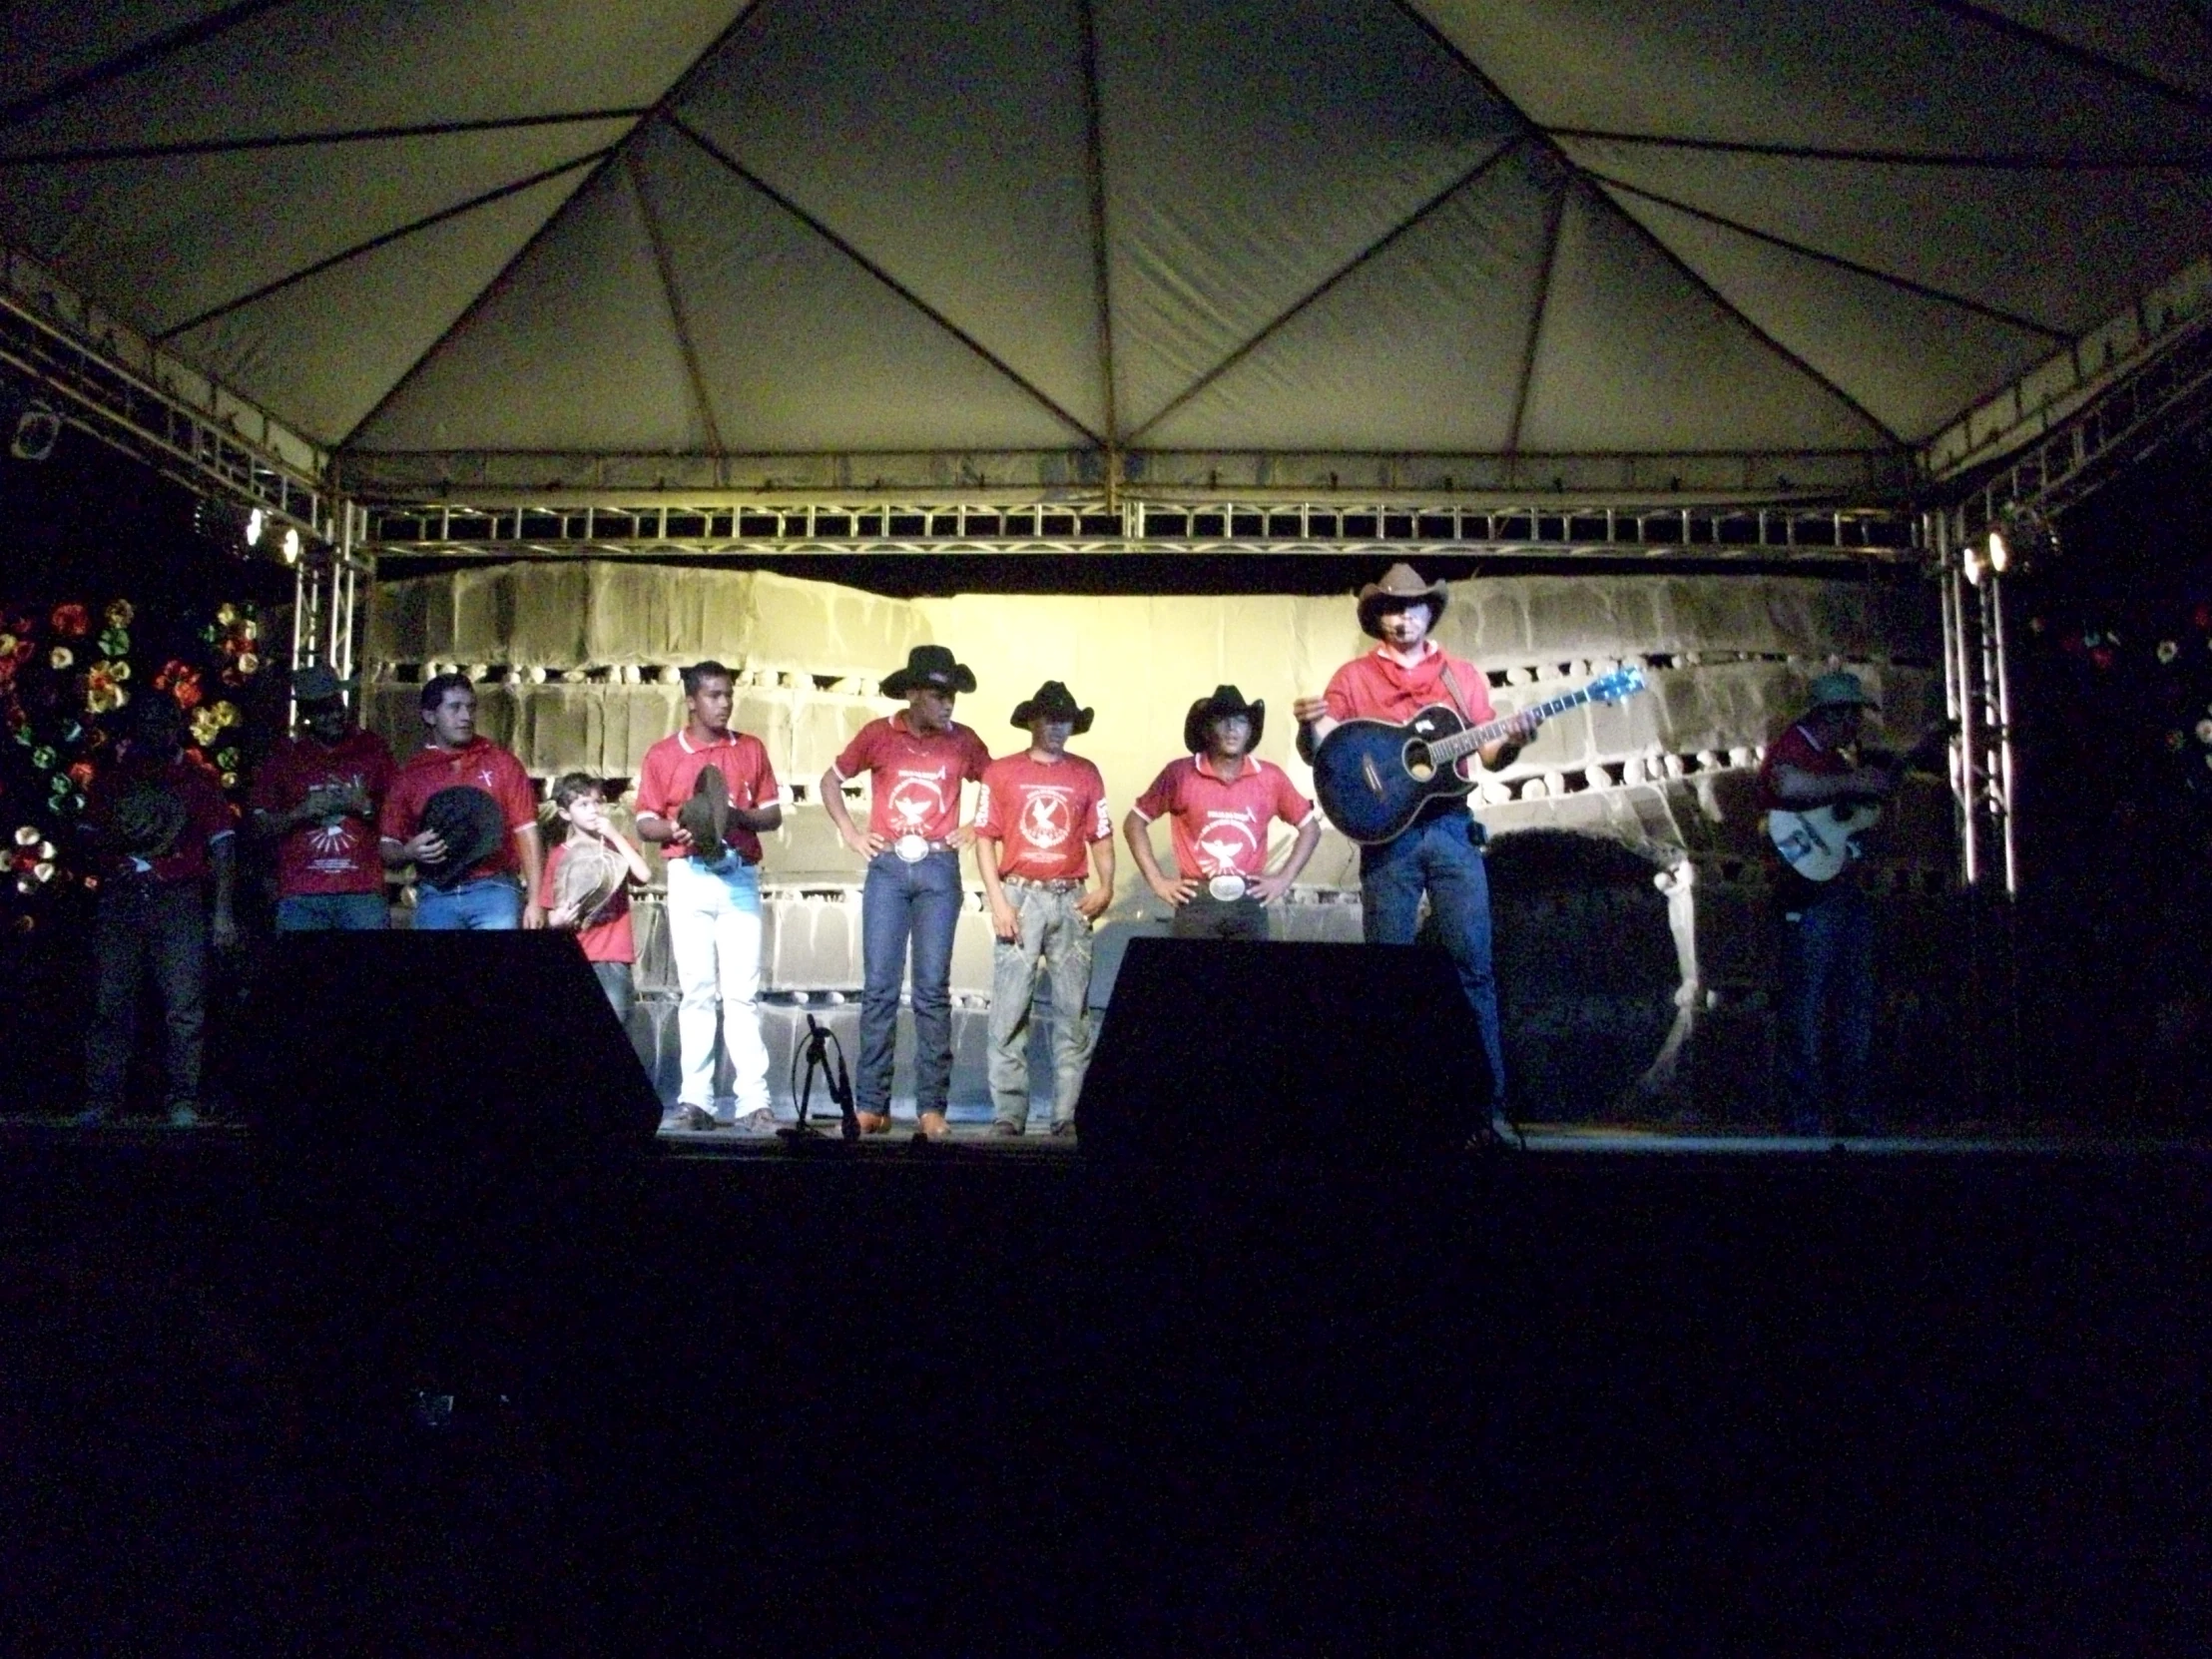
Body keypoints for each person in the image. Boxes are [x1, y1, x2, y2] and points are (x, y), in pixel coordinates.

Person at [1293, 565, 1534, 1123]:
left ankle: (1485, 1110)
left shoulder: (1460, 675)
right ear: (1378, 618)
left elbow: (1491, 754)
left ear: (1431, 612)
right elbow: (1327, 752)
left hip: (1451, 828)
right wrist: (1309, 727)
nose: (1403, 619)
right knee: (1385, 973)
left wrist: (1516, 739)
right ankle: (1387, 1109)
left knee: (1473, 967)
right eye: (1393, 610)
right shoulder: (1353, 677)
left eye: (1414, 608)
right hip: (1387, 839)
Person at [821, 644, 991, 1141]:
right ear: (914, 694)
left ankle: (932, 1108)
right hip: (890, 866)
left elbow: (1000, 785)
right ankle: (872, 1105)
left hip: (939, 866)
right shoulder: (879, 734)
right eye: (939, 694)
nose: (948, 704)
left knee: (932, 989)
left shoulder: (964, 741)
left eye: (952, 695)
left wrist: (977, 825)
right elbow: (831, 780)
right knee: (879, 988)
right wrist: (852, 834)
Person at [634, 662, 784, 1134]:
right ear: (692, 700)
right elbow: (644, 821)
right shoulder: (664, 754)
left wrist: (735, 817)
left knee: (742, 993)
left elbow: (773, 813)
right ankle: (695, 1100)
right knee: (697, 991)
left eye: (728, 695)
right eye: (714, 695)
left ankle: (753, 1101)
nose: (724, 704)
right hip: (689, 873)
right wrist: (675, 828)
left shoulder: (750, 748)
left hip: (738, 875)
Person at [79, 697, 239, 1126]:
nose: (156, 729)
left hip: (178, 900)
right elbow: (90, 836)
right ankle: (103, 1097)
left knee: (184, 1007)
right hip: (122, 899)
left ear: (178, 725)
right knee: (111, 1002)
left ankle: (183, 1098)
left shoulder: (198, 781)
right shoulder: (114, 779)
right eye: (148, 721)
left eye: (164, 721)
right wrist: (122, 864)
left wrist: (222, 912)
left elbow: (222, 845)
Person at [1756, 670, 1897, 1136]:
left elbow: (1854, 814)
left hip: (1844, 887)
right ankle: (1805, 1114)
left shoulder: (1838, 761)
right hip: (1810, 894)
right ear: (1832, 714)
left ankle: (1852, 1110)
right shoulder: (1794, 749)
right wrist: (1853, 784)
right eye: (1853, 714)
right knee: (1808, 1002)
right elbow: (1790, 788)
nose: (1858, 724)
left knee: (1854, 1002)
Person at [973, 681, 1116, 1138]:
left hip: (1070, 894)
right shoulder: (1001, 772)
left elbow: (1101, 834)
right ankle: (1008, 1114)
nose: (1057, 727)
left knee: (1072, 1011)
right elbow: (983, 837)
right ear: (1032, 721)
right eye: (1050, 718)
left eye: (1065, 720)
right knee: (1011, 1006)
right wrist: (997, 901)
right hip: (1019, 892)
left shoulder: (1086, 773)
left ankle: (1068, 1113)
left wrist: (1107, 886)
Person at [1125, 685, 1321, 942]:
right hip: (1198, 900)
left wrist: (1283, 879)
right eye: (1222, 720)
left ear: (1250, 730)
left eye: (1240, 720)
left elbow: (1310, 827)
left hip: (1249, 898)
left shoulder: (1270, 777)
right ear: (1207, 729)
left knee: (1248, 982)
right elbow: (1134, 823)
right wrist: (1158, 881)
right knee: (1194, 980)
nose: (1232, 728)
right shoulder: (1180, 774)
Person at [378, 673, 544, 930]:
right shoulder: (412, 774)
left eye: (470, 707)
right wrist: (408, 852)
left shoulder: (502, 763)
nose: (466, 717)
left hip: (495, 890)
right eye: (455, 708)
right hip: (436, 894)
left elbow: (526, 831)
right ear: (430, 716)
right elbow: (388, 843)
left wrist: (535, 900)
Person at [249, 662, 394, 930]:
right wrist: (299, 813)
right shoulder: (283, 757)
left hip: (361, 891)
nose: (335, 715)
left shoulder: (372, 749)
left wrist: (365, 806)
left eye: (337, 705)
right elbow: (258, 827)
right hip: (301, 894)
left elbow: (402, 821)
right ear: (305, 713)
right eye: (322, 710)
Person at [539, 771, 653, 1025]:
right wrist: (557, 921)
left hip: (612, 955)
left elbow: (643, 875)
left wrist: (614, 836)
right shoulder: (559, 855)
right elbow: (549, 909)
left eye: (597, 802)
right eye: (583, 805)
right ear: (565, 813)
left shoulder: (616, 846)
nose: (593, 810)